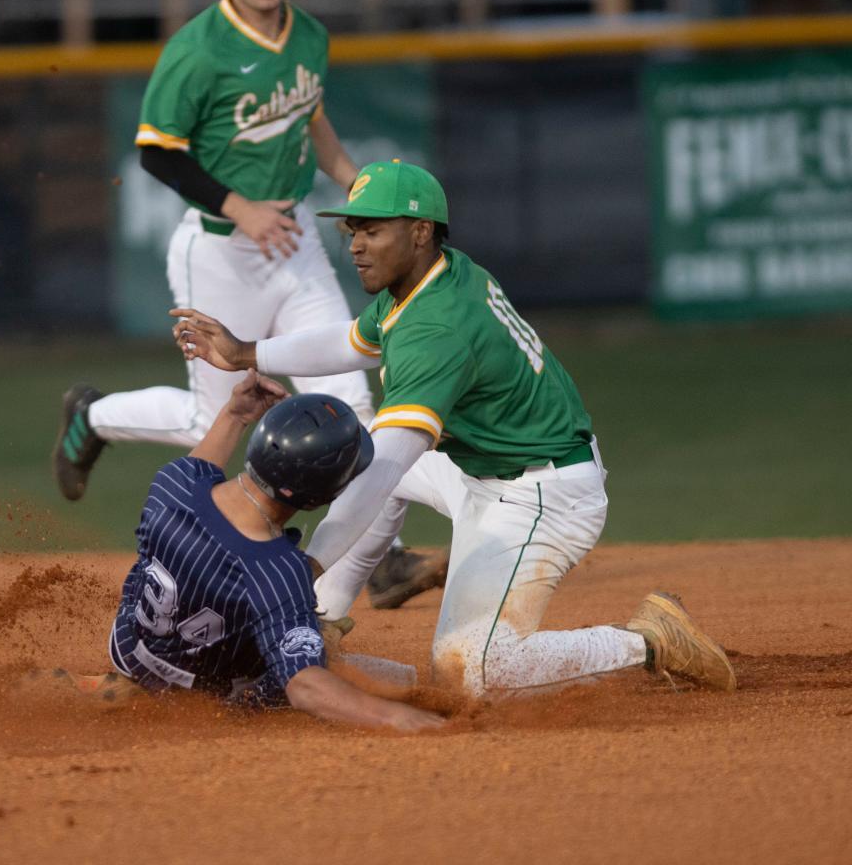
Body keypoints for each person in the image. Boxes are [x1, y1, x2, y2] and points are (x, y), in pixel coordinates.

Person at [171, 160, 737, 699]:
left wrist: (303, 566)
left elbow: (385, 464)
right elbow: (353, 342)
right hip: (485, 470)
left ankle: (649, 641)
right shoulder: (429, 277)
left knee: (472, 672)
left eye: (373, 230)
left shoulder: (437, 329)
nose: (356, 245)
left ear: (419, 232)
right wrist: (248, 351)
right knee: (371, 457)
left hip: (540, 495)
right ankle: (318, 621)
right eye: (352, 230)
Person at [50, 0, 444, 609]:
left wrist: (364, 192)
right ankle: (93, 416)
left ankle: (374, 557)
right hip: (220, 251)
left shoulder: (309, 37)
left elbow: (313, 121)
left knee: (355, 397)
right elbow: (156, 153)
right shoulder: (199, 50)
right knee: (215, 423)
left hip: (293, 246)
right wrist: (241, 208)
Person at [76, 368, 444, 731]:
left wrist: (236, 412)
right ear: (318, 498)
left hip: (129, 644)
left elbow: (205, 459)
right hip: (199, 692)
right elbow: (305, 687)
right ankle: (153, 697)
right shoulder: (278, 573)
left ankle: (125, 682)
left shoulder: (175, 484)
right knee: (394, 680)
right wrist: (393, 716)